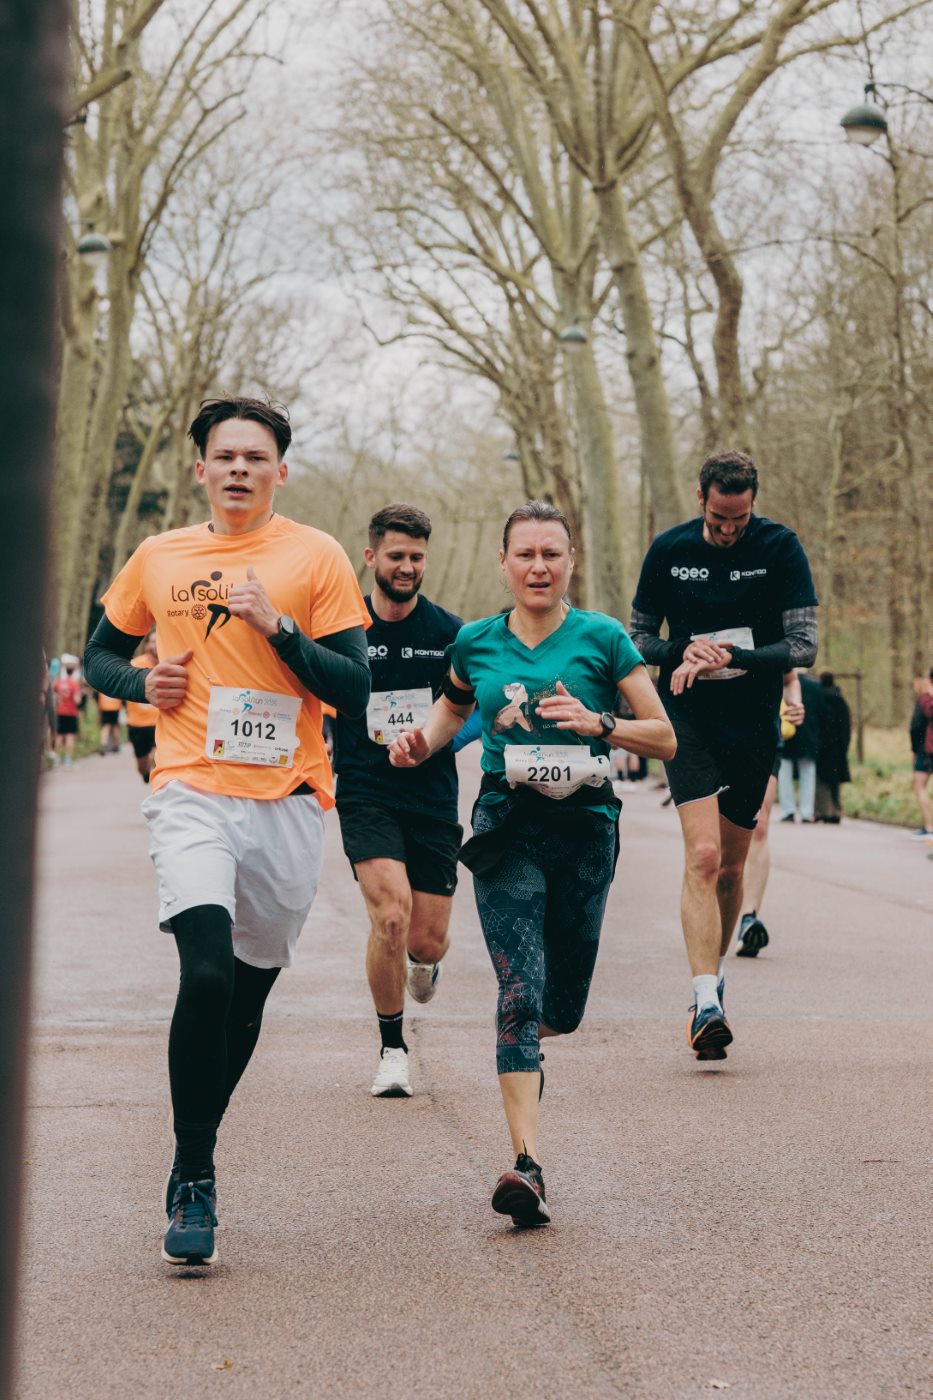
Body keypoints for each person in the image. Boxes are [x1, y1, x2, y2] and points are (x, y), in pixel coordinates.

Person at [84, 395, 371, 1267]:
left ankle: (194, 1149)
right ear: (200, 468)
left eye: (255, 456)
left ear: (280, 471)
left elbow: (353, 688)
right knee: (205, 972)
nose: (239, 468)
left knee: (246, 995)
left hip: (287, 797)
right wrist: (143, 685)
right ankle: (195, 1173)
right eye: (225, 455)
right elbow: (99, 654)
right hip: (191, 788)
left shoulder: (316, 556)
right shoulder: (159, 555)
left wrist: (278, 628)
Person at [389, 501, 675, 1227]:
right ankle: (527, 1165)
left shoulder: (603, 638)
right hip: (506, 827)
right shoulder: (475, 643)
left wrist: (602, 723)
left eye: (551, 553)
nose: (538, 567)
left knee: (561, 1009)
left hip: (584, 832)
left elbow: (664, 737)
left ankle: (520, 1040)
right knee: (519, 993)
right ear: (504, 563)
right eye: (525, 554)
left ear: (570, 561)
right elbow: (453, 709)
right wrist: (422, 741)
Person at [630, 449, 818, 1060]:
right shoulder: (669, 549)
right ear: (701, 500)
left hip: (752, 722)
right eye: (718, 520)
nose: (729, 530)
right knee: (705, 857)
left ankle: (714, 979)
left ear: (752, 504)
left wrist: (736, 657)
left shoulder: (780, 548)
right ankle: (704, 998)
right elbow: (637, 637)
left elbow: (804, 645)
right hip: (685, 716)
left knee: (733, 868)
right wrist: (684, 650)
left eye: (739, 520)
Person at [333, 504, 463, 1098]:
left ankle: (425, 962)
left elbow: (471, 711)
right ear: (370, 558)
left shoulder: (451, 633)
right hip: (366, 788)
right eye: (395, 556)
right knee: (390, 916)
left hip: (431, 795)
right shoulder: (344, 629)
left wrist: (431, 740)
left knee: (425, 939)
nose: (406, 566)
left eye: (416, 557)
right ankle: (392, 1049)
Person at [735, 670, 804, 956]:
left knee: (759, 825)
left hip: (764, 731)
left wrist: (796, 702)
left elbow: (790, 678)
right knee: (714, 839)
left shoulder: (770, 639)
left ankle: (748, 918)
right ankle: (712, 913)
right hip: (711, 730)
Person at [778, 670, 822, 823]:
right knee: (808, 775)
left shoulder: (782, 683)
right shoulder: (816, 686)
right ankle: (806, 812)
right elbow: (821, 713)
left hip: (786, 734)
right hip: (809, 738)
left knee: (784, 774)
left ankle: (788, 811)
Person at [814, 672, 851, 823]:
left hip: (821, 745)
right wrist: (844, 745)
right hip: (837, 747)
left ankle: (823, 811)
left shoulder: (819, 698)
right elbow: (846, 726)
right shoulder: (840, 700)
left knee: (821, 779)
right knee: (835, 780)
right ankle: (836, 810)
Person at [126, 629, 160, 783]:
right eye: (152, 641)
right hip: (137, 724)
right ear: (146, 645)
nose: (155, 645)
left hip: (160, 723)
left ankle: (156, 775)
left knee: (158, 755)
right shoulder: (135, 664)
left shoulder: (168, 663)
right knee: (141, 764)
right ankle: (145, 772)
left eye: (158, 641)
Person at [909, 669, 933, 838]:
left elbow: (916, 726)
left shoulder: (925, 699)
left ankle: (929, 826)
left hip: (926, 749)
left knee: (919, 787)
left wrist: (915, 749)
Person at [52, 654, 83, 767]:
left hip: (60, 712)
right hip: (71, 713)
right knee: (70, 736)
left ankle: (56, 759)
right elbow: (77, 700)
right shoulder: (74, 685)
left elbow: (53, 694)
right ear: (73, 672)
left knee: (59, 736)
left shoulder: (59, 683)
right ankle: (68, 759)